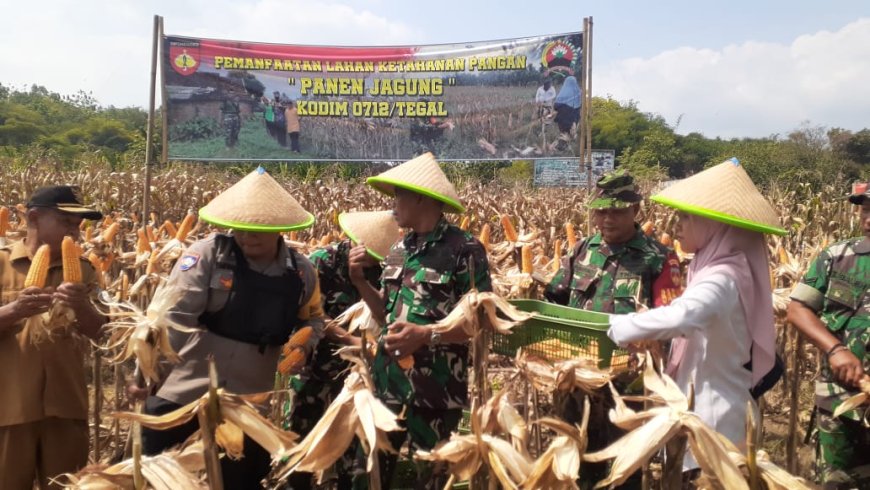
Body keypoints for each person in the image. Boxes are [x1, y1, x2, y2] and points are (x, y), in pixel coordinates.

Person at [132, 167, 325, 489]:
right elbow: (175, 318)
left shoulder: (301, 272)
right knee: (158, 471)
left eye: (256, 231)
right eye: (240, 229)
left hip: (250, 397)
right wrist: (149, 372)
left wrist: (304, 344)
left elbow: (314, 319)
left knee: (240, 478)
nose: (246, 236)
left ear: (279, 229)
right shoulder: (206, 255)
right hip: (185, 388)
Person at [607, 158, 784, 485]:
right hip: (708, 407)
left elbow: (685, 315)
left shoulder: (722, 278)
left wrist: (616, 327)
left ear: (712, 227)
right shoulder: (718, 268)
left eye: (686, 218)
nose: (677, 226)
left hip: (714, 418)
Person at [350, 152, 491, 489]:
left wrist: (426, 336)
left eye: (398, 196)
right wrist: (359, 281)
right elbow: (386, 314)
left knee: (430, 477)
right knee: (367, 474)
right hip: (388, 384)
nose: (392, 205)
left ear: (420, 198)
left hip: (435, 390)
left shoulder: (465, 250)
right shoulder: (399, 248)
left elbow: (481, 321)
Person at [545, 168, 681, 488]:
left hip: (628, 388)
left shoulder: (658, 259)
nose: (607, 219)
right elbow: (554, 298)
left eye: (617, 211)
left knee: (621, 472)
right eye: (601, 211)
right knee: (571, 465)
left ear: (635, 210)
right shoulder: (581, 251)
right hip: (576, 379)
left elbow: (672, 322)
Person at [0, 185, 106, 490]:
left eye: (78, 226)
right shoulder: (2, 263)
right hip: (9, 406)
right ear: (34, 217)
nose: (76, 233)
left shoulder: (85, 271)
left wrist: (82, 307)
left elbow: (103, 332)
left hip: (66, 406)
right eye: (66, 223)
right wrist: (14, 310)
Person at [285, 210, 398, 490]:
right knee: (300, 445)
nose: (374, 260)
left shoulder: (387, 270)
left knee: (352, 453)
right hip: (315, 369)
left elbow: (389, 314)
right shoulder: (322, 261)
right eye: (371, 254)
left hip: (358, 379)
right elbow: (310, 313)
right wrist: (350, 340)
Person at [787, 185, 870, 489]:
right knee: (837, 482)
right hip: (838, 401)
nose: (869, 219)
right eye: (865, 209)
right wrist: (835, 349)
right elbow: (797, 310)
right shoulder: (837, 256)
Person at [553, 75, 581, 150]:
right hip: (571, 121)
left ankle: (562, 143)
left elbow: (555, 106)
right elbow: (577, 110)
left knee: (566, 133)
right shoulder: (577, 93)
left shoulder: (563, 92)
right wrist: (575, 122)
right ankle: (563, 143)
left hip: (562, 121)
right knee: (569, 134)